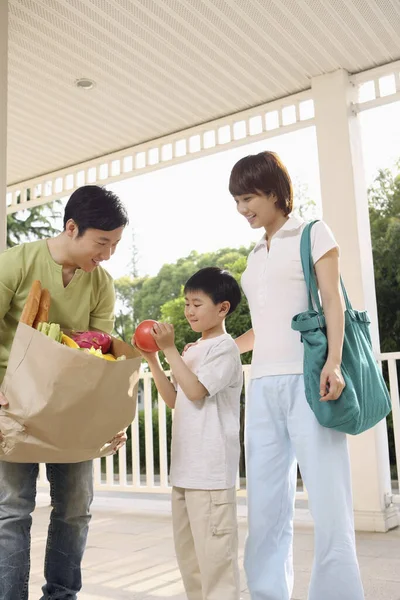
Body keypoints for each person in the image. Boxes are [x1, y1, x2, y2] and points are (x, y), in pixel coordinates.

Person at [229, 151, 365, 600]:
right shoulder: (254, 254)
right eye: (236, 200)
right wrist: (221, 346)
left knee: (329, 502)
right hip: (263, 383)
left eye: (248, 197)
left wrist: (333, 363)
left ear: (273, 191)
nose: (242, 208)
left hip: (309, 382)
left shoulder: (312, 232)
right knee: (265, 505)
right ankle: (268, 594)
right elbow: (266, 324)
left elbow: (332, 302)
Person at [0, 185, 129, 600]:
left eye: (115, 244)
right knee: (12, 512)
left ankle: (61, 595)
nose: (107, 254)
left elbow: (101, 353)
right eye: (102, 242)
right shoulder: (17, 263)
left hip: (72, 410)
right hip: (12, 403)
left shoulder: (100, 283)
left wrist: (109, 413)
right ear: (72, 228)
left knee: (75, 511)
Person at [135, 267, 243, 600]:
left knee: (216, 566)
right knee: (191, 563)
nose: (189, 311)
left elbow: (196, 391)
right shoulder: (193, 350)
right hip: (185, 472)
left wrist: (168, 349)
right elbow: (174, 399)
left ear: (222, 308)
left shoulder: (224, 349)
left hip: (210, 475)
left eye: (197, 303)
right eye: (186, 303)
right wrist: (154, 360)